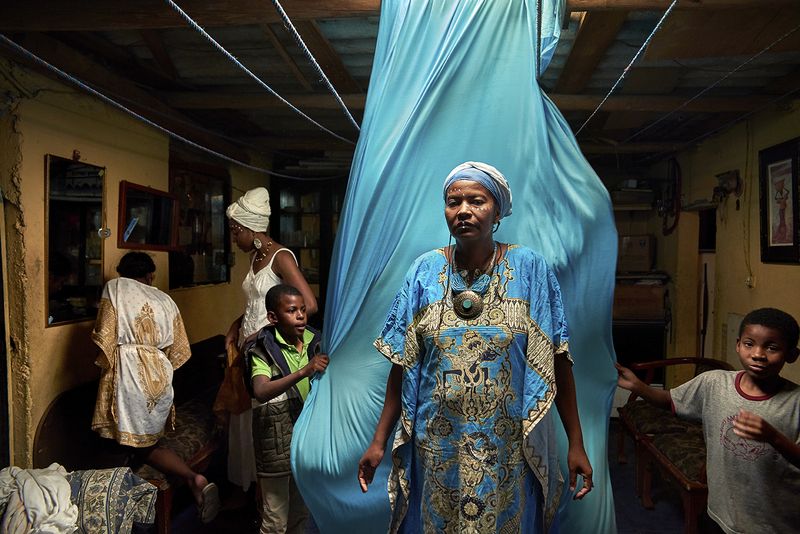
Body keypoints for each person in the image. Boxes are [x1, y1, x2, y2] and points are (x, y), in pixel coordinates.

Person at [357, 162, 592, 532]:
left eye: (476, 201)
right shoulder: (423, 272)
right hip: (437, 447)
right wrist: (378, 441)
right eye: (454, 202)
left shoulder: (529, 269)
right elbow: (403, 366)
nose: (463, 210)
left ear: (497, 210)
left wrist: (576, 443)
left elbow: (557, 361)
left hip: (508, 450)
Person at [616, 307, 800, 534]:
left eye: (772, 347)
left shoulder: (795, 403)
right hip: (721, 512)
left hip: (773, 523)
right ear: (738, 344)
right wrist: (638, 386)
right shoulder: (714, 383)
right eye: (749, 344)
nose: (758, 354)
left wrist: (773, 437)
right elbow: (670, 400)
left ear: (791, 355)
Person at [91, 251, 220, 523]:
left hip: (129, 373)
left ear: (122, 271)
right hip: (159, 374)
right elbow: (180, 351)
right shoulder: (166, 299)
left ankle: (110, 511)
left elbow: (105, 333)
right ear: (150, 275)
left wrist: (115, 362)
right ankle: (193, 478)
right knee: (147, 444)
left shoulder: (115, 287)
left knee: (116, 441)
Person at [223, 186, 318, 492]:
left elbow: (309, 304)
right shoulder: (253, 260)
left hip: (271, 352)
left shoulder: (281, 256)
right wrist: (237, 325)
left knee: (271, 421)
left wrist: (265, 334)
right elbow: (257, 303)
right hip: (251, 351)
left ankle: (279, 496)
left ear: (250, 229)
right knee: (250, 421)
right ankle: (255, 492)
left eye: (236, 232)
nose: (234, 238)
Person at [242, 284, 329, 534]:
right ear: (273, 317)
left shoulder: (316, 340)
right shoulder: (262, 348)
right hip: (275, 439)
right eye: (292, 311)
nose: (300, 315)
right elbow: (261, 390)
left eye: (303, 310)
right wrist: (305, 370)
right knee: (275, 520)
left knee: (301, 512)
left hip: (307, 436)